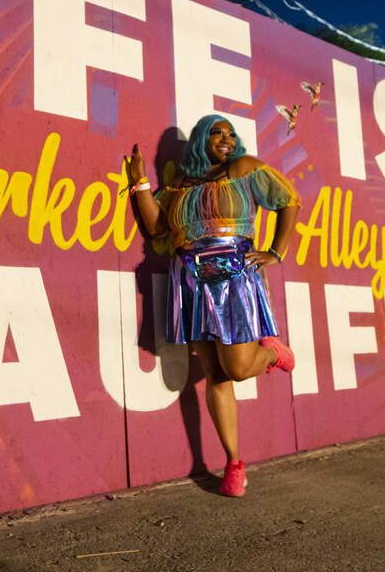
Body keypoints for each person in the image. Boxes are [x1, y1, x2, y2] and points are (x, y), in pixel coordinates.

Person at [127, 114, 301, 497]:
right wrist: (139, 180)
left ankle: (271, 354)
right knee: (216, 374)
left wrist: (275, 251)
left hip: (233, 272)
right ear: (201, 139)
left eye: (230, 132)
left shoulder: (243, 168)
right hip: (189, 276)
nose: (226, 138)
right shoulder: (182, 185)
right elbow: (157, 227)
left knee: (237, 369)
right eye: (216, 132)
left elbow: (288, 200)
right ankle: (234, 464)